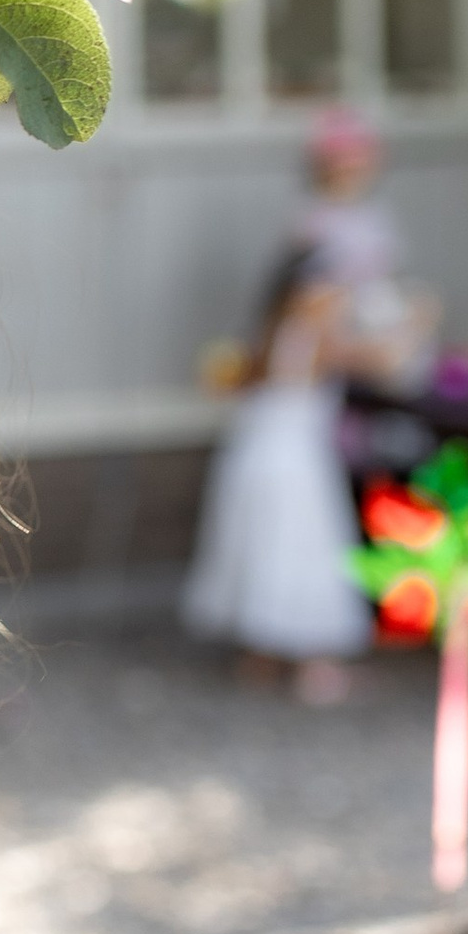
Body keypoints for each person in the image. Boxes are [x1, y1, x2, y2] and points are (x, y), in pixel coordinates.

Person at [183, 110, 409, 703]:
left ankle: (260, 653)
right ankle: (311, 659)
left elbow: (235, 382)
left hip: (255, 452)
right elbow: (378, 359)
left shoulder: (272, 335)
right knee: (303, 550)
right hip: (292, 461)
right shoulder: (318, 337)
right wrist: (418, 324)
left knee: (261, 545)